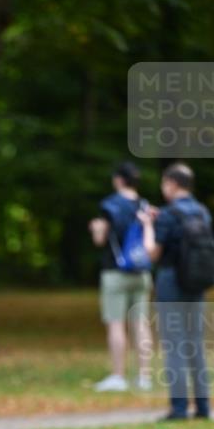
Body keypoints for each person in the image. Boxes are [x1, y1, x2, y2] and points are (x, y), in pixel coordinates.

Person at [138, 162, 213, 420]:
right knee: (195, 344)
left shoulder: (170, 214)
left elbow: (153, 252)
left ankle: (179, 408)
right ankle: (203, 407)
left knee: (174, 345)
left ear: (171, 183)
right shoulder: (202, 213)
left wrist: (148, 225)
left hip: (171, 282)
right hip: (196, 283)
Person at [88, 161, 153, 392]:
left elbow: (100, 239)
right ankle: (144, 377)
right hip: (142, 271)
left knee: (116, 324)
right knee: (141, 323)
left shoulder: (110, 205)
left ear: (118, 179)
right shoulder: (144, 205)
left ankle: (119, 376)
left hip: (115, 272)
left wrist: (95, 228)